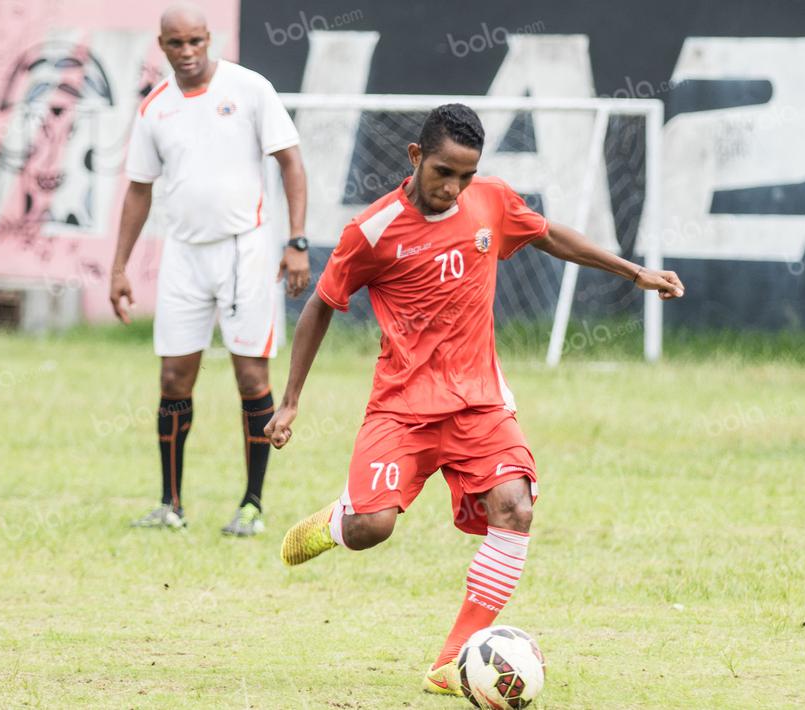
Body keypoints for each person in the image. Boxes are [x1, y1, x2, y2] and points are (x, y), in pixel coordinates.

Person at [264, 103, 684, 694]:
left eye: (465, 175)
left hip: (480, 402)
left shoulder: (491, 200)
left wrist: (631, 272)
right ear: (415, 157)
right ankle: (338, 520)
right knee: (372, 528)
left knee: (515, 507)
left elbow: (549, 235)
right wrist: (291, 400)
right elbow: (320, 307)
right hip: (402, 408)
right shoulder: (373, 231)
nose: (454, 188)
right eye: (442, 172)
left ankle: (452, 658)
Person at [109, 3, 311, 536]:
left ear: (208, 39)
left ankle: (251, 505)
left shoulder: (249, 89)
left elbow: (291, 162)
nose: (189, 52)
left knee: (251, 377)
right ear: (163, 47)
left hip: (245, 251)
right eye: (178, 44)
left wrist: (296, 243)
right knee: (174, 375)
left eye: (197, 41)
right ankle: (170, 505)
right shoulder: (155, 109)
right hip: (183, 254)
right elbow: (138, 189)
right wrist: (119, 267)